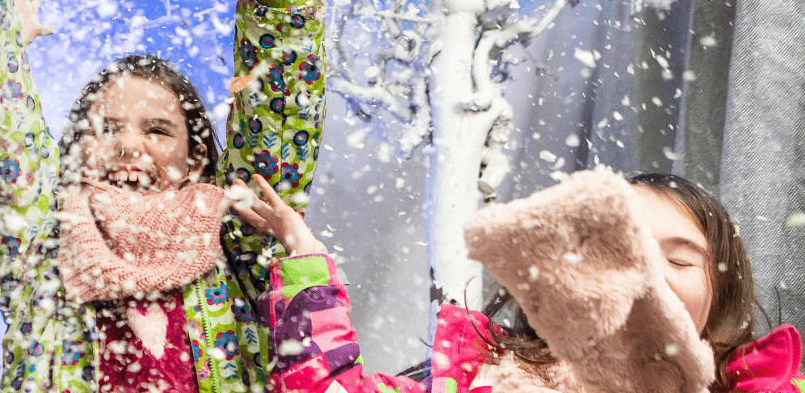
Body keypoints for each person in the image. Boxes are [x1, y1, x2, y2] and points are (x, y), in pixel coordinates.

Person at [0, 0, 327, 390]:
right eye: (106, 129)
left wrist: (281, 5)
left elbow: (280, 122)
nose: (129, 147)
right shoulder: (40, 235)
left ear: (195, 157)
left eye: (157, 130)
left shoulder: (236, 233)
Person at [256, 171, 805, 392]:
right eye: (624, 252)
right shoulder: (488, 377)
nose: (649, 277)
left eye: (681, 261)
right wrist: (307, 266)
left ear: (721, 295)